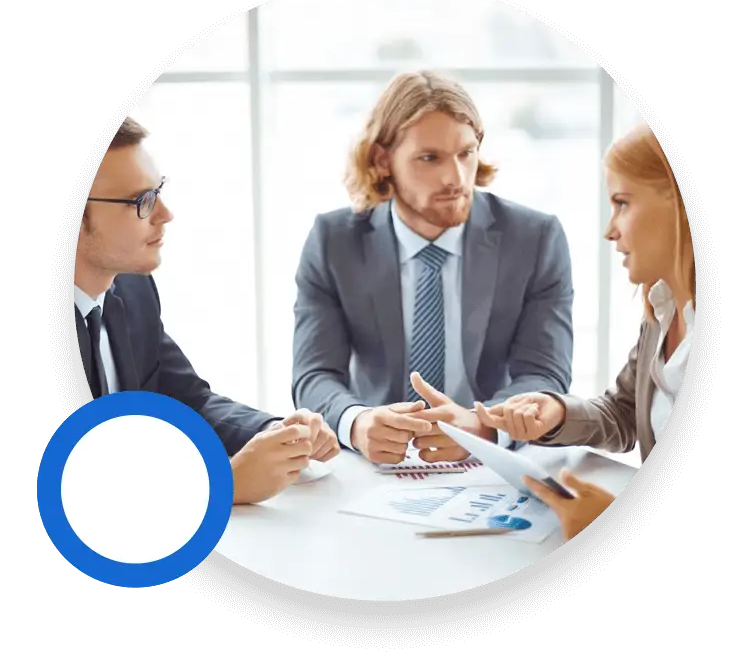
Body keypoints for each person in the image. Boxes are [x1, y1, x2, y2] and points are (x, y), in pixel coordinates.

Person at [291, 70, 575, 465]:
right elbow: (314, 374)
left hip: (493, 461)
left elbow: (545, 374)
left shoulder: (535, 239)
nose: (456, 178)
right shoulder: (333, 240)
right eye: (430, 158)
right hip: (376, 462)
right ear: (382, 159)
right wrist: (357, 423)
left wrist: (483, 426)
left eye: (466, 153)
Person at [443, 121, 694, 540]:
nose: (610, 229)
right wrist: (555, 413)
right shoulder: (662, 309)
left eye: (623, 203)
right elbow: (623, 415)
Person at [75, 117, 340, 505]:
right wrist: (219, 484)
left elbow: (185, 400)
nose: (165, 213)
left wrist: (275, 432)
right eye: (142, 201)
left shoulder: (132, 288)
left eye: (159, 191)